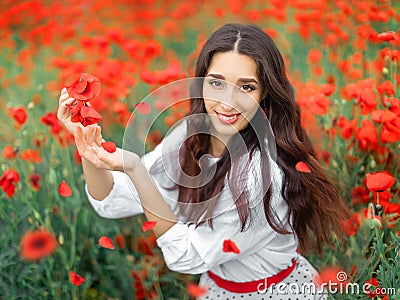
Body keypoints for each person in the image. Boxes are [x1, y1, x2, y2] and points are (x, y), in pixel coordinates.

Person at [57, 23, 348, 299]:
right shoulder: (188, 137)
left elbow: (187, 255)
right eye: (217, 83)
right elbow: (111, 200)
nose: (228, 101)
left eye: (246, 87)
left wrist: (135, 168)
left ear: (264, 96)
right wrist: (88, 147)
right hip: (217, 289)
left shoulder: (261, 173)